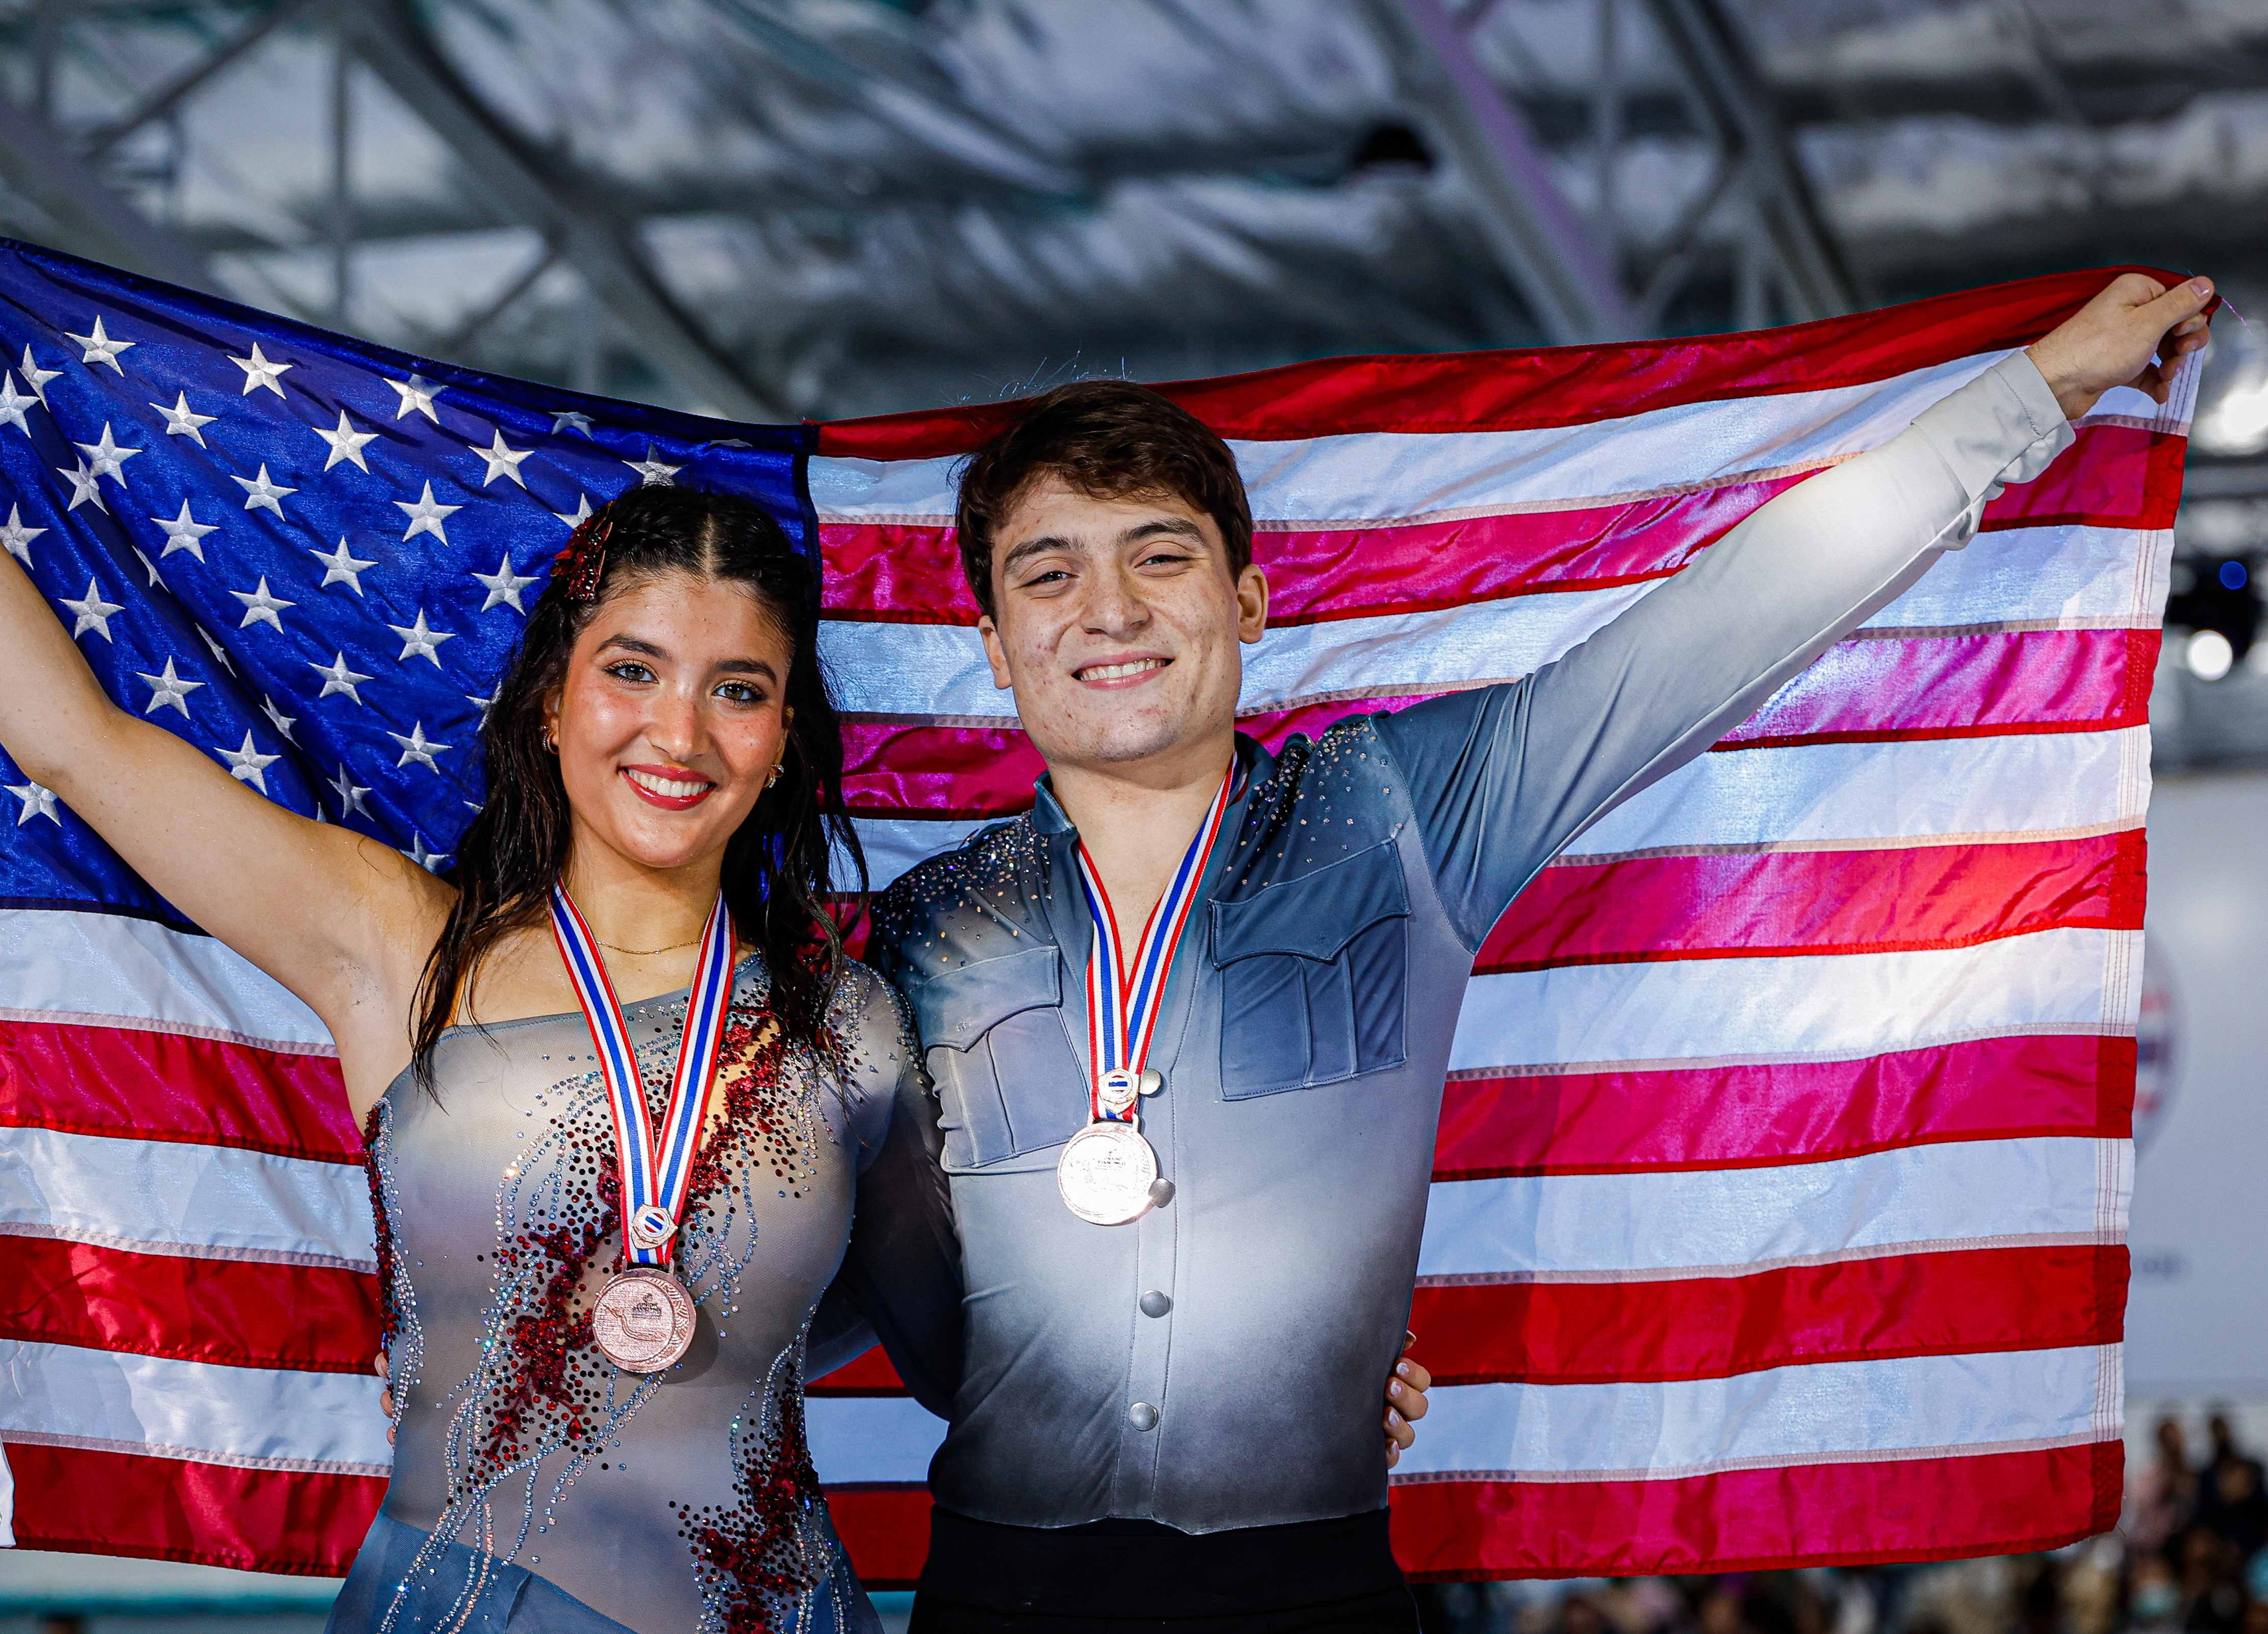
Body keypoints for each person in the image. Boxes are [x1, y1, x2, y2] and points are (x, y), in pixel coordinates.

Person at [0, 212, 1428, 1634]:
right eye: (633, 673)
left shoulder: (846, 1028)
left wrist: (1277, 1382)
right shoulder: (394, 948)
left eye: (740, 692)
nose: (679, 734)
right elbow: (73, 740)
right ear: (556, 705)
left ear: (784, 742)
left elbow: (976, 1352)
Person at [863, 275, 2213, 1631]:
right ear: (992, 641)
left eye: (1159, 556)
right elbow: (916, 1319)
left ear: (1251, 600)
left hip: (1310, 1592)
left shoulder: (1404, 812)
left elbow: (1716, 630)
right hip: (999, 1590)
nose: (1107, 607)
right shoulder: (926, 933)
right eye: (1050, 573)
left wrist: (2045, 390)